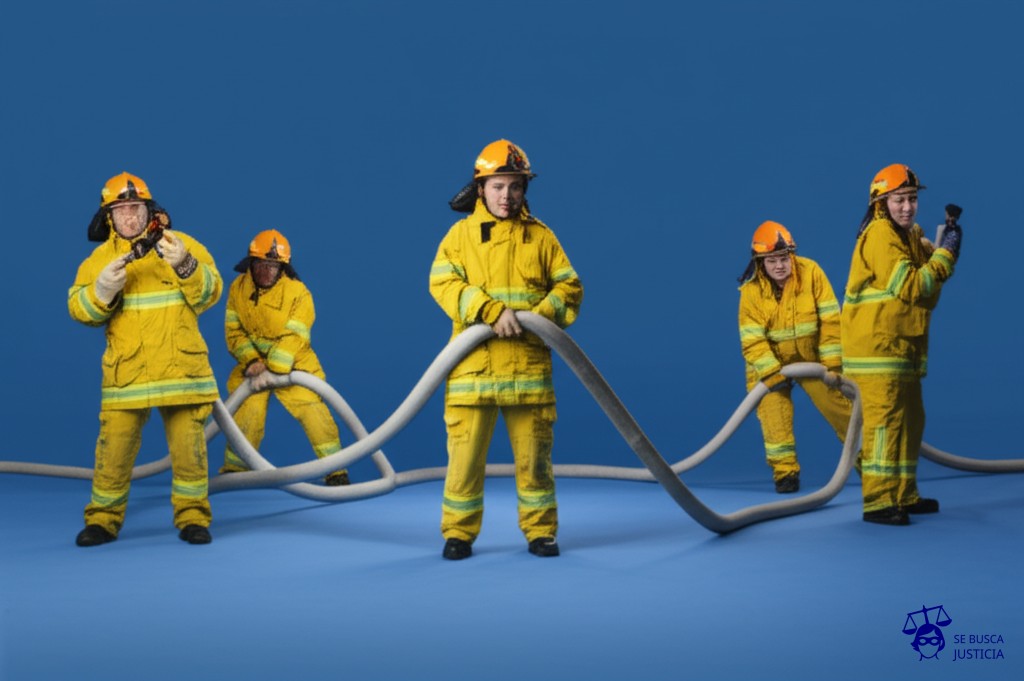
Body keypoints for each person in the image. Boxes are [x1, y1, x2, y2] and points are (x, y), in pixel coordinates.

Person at [429, 139, 583, 560]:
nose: (507, 196)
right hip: (472, 373)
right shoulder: (459, 237)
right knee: (463, 462)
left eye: (515, 186)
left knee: (535, 461)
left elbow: (570, 288)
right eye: (498, 186)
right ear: (480, 187)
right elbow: (442, 284)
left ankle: (541, 532)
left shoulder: (542, 237)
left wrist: (538, 314)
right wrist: (489, 310)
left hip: (527, 372)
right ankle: (458, 533)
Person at [68, 171, 223, 546]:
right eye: (121, 210)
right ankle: (103, 520)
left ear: (149, 209)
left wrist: (186, 265)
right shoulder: (98, 261)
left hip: (181, 370)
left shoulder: (180, 244)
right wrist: (101, 291)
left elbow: (211, 292)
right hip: (129, 375)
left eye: (135, 208)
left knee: (189, 450)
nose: (130, 217)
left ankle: (193, 519)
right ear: (109, 216)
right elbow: (79, 309)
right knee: (114, 450)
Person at [841, 163, 962, 525]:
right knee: (884, 425)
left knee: (911, 421)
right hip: (877, 352)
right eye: (898, 200)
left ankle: (905, 495)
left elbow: (927, 285)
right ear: (881, 203)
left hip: (902, 349)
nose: (907, 207)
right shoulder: (879, 235)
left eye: (911, 199)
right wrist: (946, 256)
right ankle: (878, 502)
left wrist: (937, 251)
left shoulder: (908, 236)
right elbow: (915, 287)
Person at [220, 229, 349, 486]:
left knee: (313, 411)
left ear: (283, 268)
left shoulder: (298, 293)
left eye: (273, 266)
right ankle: (235, 471)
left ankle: (336, 471)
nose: (267, 271)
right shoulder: (238, 288)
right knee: (248, 410)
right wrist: (253, 362)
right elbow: (234, 332)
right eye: (262, 265)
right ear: (251, 264)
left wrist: (276, 368)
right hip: (254, 368)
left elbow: (294, 336)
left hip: (293, 366)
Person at [737, 221, 854, 493]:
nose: (779, 265)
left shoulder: (811, 272)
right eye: (772, 260)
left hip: (813, 360)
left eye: (783, 258)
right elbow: (752, 341)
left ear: (792, 255)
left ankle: (866, 459)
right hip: (768, 365)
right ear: (759, 262)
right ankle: (785, 474)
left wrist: (832, 366)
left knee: (840, 407)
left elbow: (830, 320)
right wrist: (771, 372)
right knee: (773, 414)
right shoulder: (751, 292)